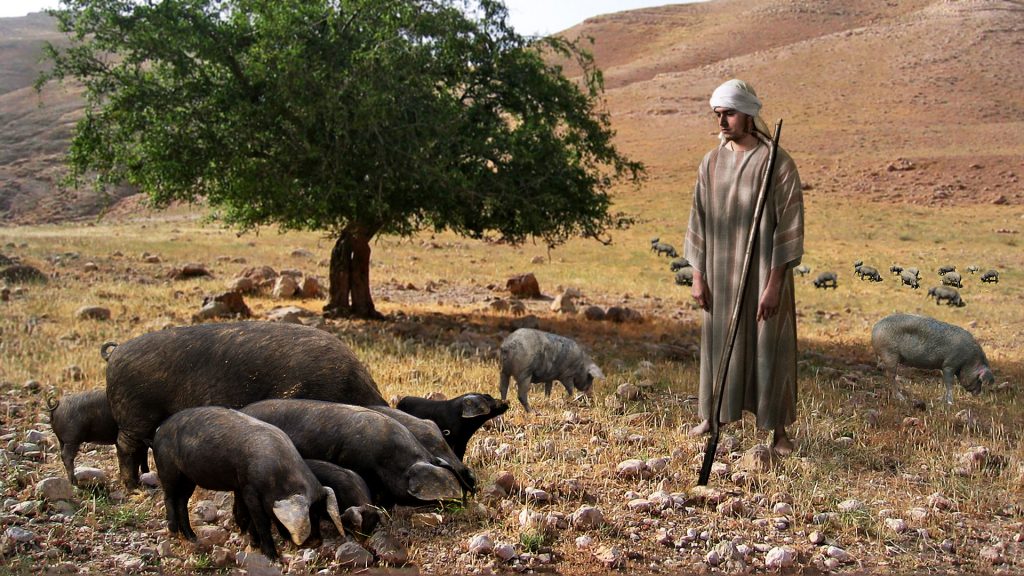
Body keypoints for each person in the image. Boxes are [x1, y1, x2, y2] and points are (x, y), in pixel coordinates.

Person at [683, 79, 804, 455]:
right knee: (718, 343)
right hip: (719, 274)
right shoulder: (711, 162)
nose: (722, 122)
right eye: (717, 114)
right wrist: (698, 276)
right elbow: (698, 219)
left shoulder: (777, 163)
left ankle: (778, 431)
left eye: (729, 114)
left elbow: (789, 225)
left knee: (770, 346)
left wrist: (774, 284)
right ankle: (712, 416)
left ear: (749, 114)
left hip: (764, 274)